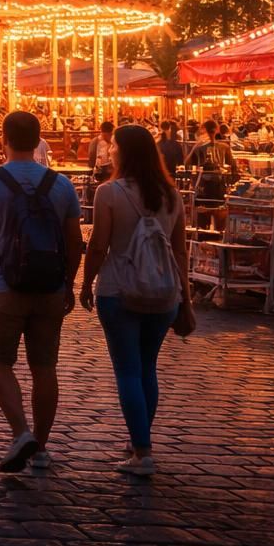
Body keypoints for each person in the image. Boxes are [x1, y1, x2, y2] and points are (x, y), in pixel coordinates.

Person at [0, 110, 84, 473]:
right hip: (49, 288)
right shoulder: (61, 185)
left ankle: (21, 431)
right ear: (39, 139)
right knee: (45, 366)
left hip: (2, 286)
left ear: (3, 139)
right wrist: (69, 282)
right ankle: (40, 446)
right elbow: (75, 242)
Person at [79, 124, 194, 477]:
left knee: (127, 370)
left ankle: (142, 452)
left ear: (123, 152)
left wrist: (85, 282)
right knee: (147, 368)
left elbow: (99, 244)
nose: (110, 150)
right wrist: (185, 297)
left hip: (119, 289)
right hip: (163, 293)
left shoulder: (109, 193)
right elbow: (179, 250)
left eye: (113, 146)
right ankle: (139, 437)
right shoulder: (171, 195)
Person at [186, 118, 236, 205]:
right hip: (220, 186)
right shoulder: (224, 147)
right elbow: (233, 166)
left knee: (203, 213)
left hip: (202, 187)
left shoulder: (198, 148)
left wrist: (195, 146)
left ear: (204, 130)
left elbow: (187, 164)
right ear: (217, 130)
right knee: (219, 212)